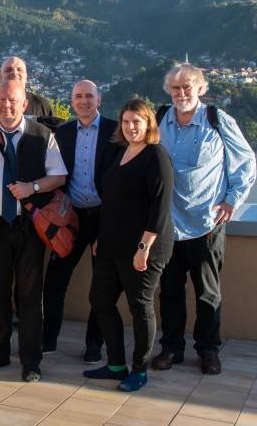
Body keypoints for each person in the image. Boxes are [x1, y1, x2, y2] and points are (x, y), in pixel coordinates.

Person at [0, 80, 67, 383]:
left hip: (31, 229)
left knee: (30, 296)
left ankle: (31, 360)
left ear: (24, 105)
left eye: (12, 100)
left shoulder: (43, 136)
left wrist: (31, 187)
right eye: (1, 100)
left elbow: (58, 177)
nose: (6, 105)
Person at [152, 64, 256, 376]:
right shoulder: (158, 119)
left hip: (206, 223)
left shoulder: (217, 120)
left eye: (187, 87)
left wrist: (232, 200)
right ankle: (171, 348)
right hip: (168, 224)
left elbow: (246, 162)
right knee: (169, 291)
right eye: (175, 88)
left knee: (207, 292)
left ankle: (208, 349)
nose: (181, 93)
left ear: (200, 88)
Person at [84, 99, 173, 392]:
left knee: (140, 307)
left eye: (137, 121)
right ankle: (116, 364)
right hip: (111, 243)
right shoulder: (120, 152)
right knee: (100, 300)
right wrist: (100, 237)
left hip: (144, 247)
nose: (131, 127)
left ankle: (139, 369)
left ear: (148, 124)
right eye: (126, 122)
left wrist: (144, 247)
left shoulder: (156, 156)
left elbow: (160, 208)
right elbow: (111, 202)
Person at [42, 80, 119, 362]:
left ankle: (94, 344)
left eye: (89, 96)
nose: (84, 101)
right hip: (71, 218)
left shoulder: (115, 132)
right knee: (54, 282)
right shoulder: (62, 134)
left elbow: (118, 183)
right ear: (72, 102)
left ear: (98, 100)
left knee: (102, 285)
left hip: (104, 217)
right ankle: (48, 339)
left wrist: (109, 226)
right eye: (78, 97)